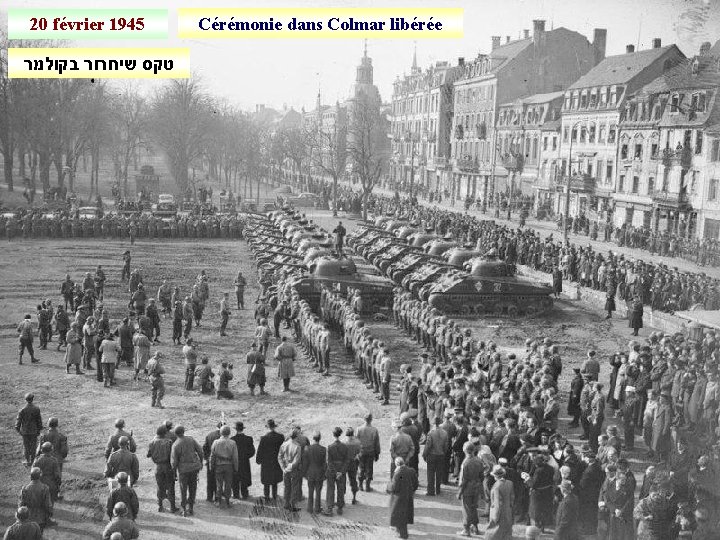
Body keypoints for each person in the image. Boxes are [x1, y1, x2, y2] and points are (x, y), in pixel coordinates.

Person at [171, 425, 203, 517]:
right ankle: (191, 508)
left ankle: (184, 509)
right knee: (193, 488)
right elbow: (200, 451)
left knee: (183, 490)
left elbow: (174, 462)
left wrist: (174, 473)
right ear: (184, 431)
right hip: (194, 468)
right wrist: (200, 462)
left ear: (175, 434)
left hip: (183, 470)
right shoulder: (191, 439)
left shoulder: (175, 444)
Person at [147, 424, 177, 513]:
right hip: (168, 467)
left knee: (159, 486)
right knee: (171, 486)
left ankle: (160, 506)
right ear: (165, 433)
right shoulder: (169, 442)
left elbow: (148, 454)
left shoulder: (152, 442)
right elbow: (173, 456)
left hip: (158, 467)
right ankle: (172, 507)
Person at [387, 456, 418, 540]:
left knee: (399, 515)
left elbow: (394, 487)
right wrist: (411, 490)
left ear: (397, 464)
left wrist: (388, 487)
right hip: (408, 496)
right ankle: (399, 530)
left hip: (398, 498)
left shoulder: (398, 473)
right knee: (404, 514)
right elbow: (415, 484)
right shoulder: (411, 471)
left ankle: (403, 535)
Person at [457, 442, 483, 537]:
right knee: (473, 508)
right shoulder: (479, 460)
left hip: (467, 488)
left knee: (466, 509)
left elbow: (464, 480)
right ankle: (475, 527)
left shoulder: (466, 463)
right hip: (476, 487)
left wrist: (460, 492)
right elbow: (482, 476)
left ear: (465, 450)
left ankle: (466, 529)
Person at [210, 425, 238, 508]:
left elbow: (212, 456)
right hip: (229, 466)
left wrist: (211, 466)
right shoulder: (232, 443)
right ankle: (227, 501)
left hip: (218, 465)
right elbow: (235, 457)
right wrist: (236, 467)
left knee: (219, 484)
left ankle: (218, 501)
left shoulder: (216, 442)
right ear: (229, 433)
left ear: (220, 433)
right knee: (228, 484)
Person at [256, 419, 284, 501]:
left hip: (266, 463)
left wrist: (258, 460)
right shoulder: (280, 437)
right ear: (274, 427)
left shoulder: (264, 438)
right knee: (275, 480)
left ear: (267, 427)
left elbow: (260, 451)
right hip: (276, 462)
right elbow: (283, 450)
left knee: (266, 481)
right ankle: (274, 496)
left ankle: (267, 497)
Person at [486, 463, 515, 540]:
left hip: (499, 511)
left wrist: (495, 517)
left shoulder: (496, 486)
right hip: (508, 510)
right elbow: (512, 498)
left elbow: (498, 503)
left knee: (495, 533)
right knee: (506, 532)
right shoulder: (510, 483)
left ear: (495, 476)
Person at [326, 426, 349, 516]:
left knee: (330, 489)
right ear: (340, 434)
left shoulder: (330, 447)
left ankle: (330, 508)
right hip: (341, 470)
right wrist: (341, 472)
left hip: (332, 471)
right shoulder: (345, 447)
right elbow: (347, 460)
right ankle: (340, 508)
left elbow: (329, 461)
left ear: (333, 435)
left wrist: (335, 472)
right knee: (340, 489)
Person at [278, 426, 303, 512]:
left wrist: (283, 468)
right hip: (294, 470)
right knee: (294, 488)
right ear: (296, 436)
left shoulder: (284, 444)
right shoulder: (298, 446)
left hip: (285, 469)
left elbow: (279, 457)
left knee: (286, 487)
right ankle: (292, 505)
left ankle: (286, 504)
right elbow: (297, 460)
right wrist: (290, 467)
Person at [423, 416, 449, 496]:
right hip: (441, 455)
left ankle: (430, 491)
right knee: (439, 473)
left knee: (430, 473)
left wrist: (424, 454)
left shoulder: (431, 433)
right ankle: (438, 490)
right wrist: (443, 453)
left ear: (433, 423)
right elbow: (446, 446)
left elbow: (428, 445)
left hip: (432, 455)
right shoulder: (445, 433)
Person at [16, 393, 42, 466]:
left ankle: (27, 461)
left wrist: (19, 431)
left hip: (25, 432)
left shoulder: (22, 410)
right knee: (34, 446)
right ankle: (33, 461)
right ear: (32, 399)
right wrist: (39, 430)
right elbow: (39, 421)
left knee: (26, 447)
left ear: (25, 400)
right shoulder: (36, 409)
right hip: (34, 431)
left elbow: (18, 423)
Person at [231, 422, 255, 500]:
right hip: (245, 462)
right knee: (244, 478)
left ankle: (236, 494)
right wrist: (246, 457)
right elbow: (252, 452)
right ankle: (244, 494)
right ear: (242, 429)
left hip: (235, 461)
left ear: (236, 429)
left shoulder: (232, 439)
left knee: (235, 478)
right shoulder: (249, 439)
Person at [304, 431, 327, 514]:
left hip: (310, 472)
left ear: (313, 438)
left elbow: (305, 463)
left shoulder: (308, 449)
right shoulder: (323, 449)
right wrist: (324, 474)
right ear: (320, 438)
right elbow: (324, 463)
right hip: (319, 473)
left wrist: (305, 474)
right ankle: (317, 508)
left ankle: (309, 508)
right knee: (318, 492)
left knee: (310, 491)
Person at [357, 413, 380, 492]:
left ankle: (360, 485)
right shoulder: (374, 430)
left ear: (364, 419)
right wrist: (377, 453)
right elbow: (377, 443)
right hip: (370, 452)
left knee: (361, 468)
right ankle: (367, 486)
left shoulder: (359, 429)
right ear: (371, 420)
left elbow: (356, 442)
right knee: (369, 469)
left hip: (361, 452)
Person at [203, 423, 223, 503]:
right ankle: (218, 497)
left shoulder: (209, 435)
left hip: (210, 460)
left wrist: (206, 458)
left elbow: (205, 447)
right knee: (219, 480)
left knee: (210, 479)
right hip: (220, 461)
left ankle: (209, 496)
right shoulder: (224, 436)